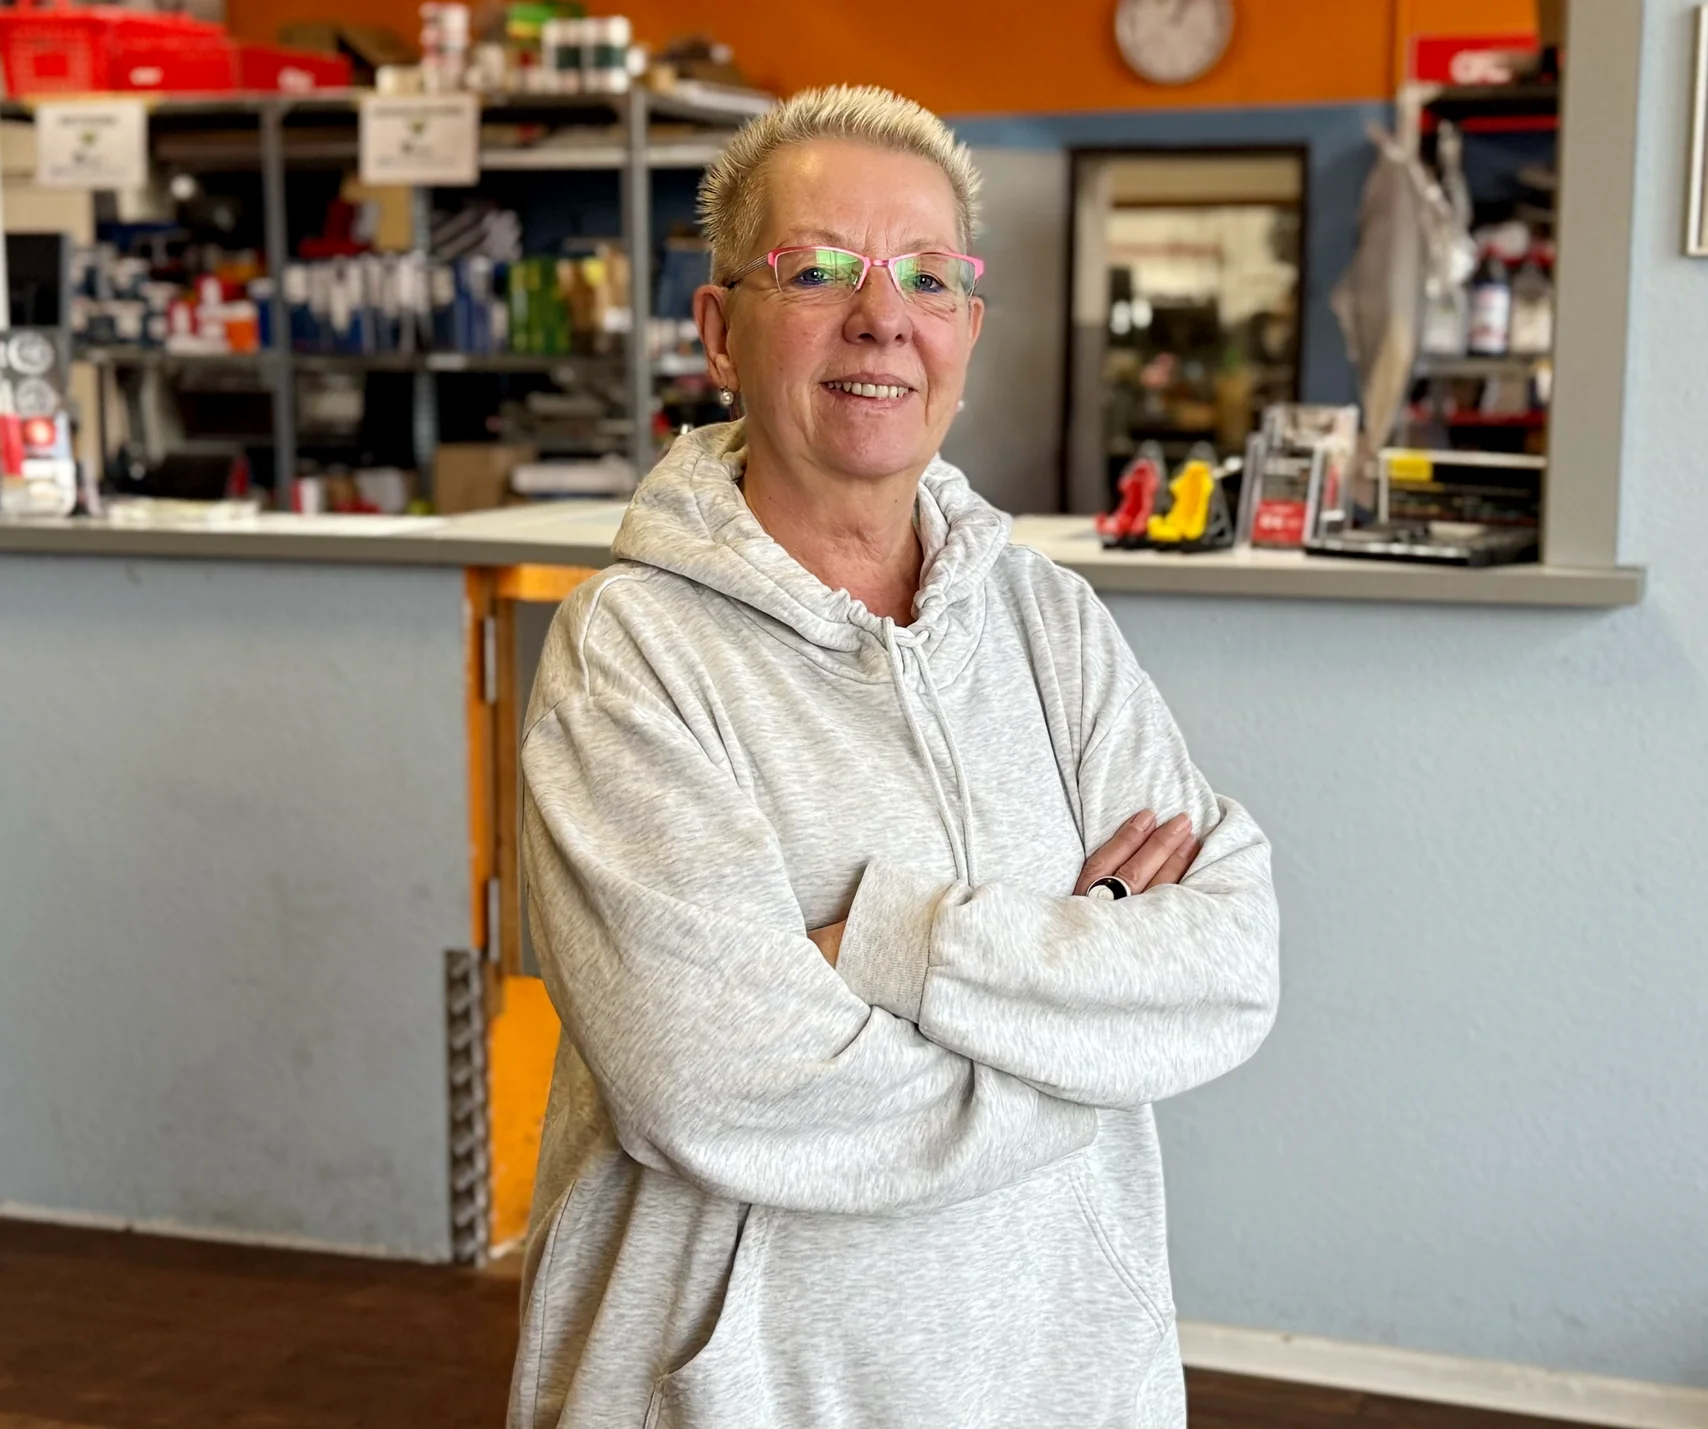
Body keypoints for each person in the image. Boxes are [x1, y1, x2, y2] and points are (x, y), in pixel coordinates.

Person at [509, 84, 1280, 1429]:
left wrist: (890, 945)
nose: (883, 317)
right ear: (720, 331)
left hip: (1064, 1377)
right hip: (747, 1392)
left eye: (928, 276)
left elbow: (1228, 965)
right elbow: (710, 1082)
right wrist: (1082, 1033)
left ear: (967, 334)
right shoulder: (628, 652)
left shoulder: (1049, 622)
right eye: (817, 271)